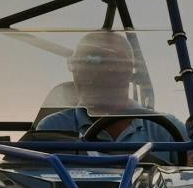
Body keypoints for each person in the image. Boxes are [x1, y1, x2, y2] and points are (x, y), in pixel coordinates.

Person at [36, 31, 184, 145]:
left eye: (94, 60)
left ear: (126, 68)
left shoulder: (168, 130)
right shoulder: (53, 127)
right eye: (76, 62)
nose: (80, 71)